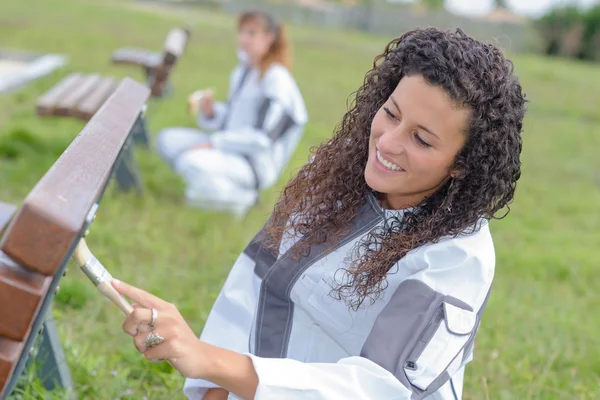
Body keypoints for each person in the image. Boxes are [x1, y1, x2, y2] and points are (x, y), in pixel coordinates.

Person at [113, 27, 527, 400]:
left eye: (421, 139)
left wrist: (208, 360)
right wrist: (214, 388)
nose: (388, 143)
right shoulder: (329, 180)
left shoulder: (456, 258)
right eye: (391, 114)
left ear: (461, 163)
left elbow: (378, 389)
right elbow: (253, 288)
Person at [155, 10, 308, 217]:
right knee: (166, 140)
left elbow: (263, 139)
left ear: (269, 38)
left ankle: (241, 199)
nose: (243, 39)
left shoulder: (277, 81)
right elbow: (234, 118)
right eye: (242, 32)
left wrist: (213, 143)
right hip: (230, 148)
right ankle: (212, 187)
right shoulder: (244, 70)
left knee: (189, 161)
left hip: (253, 163)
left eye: (251, 33)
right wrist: (212, 112)